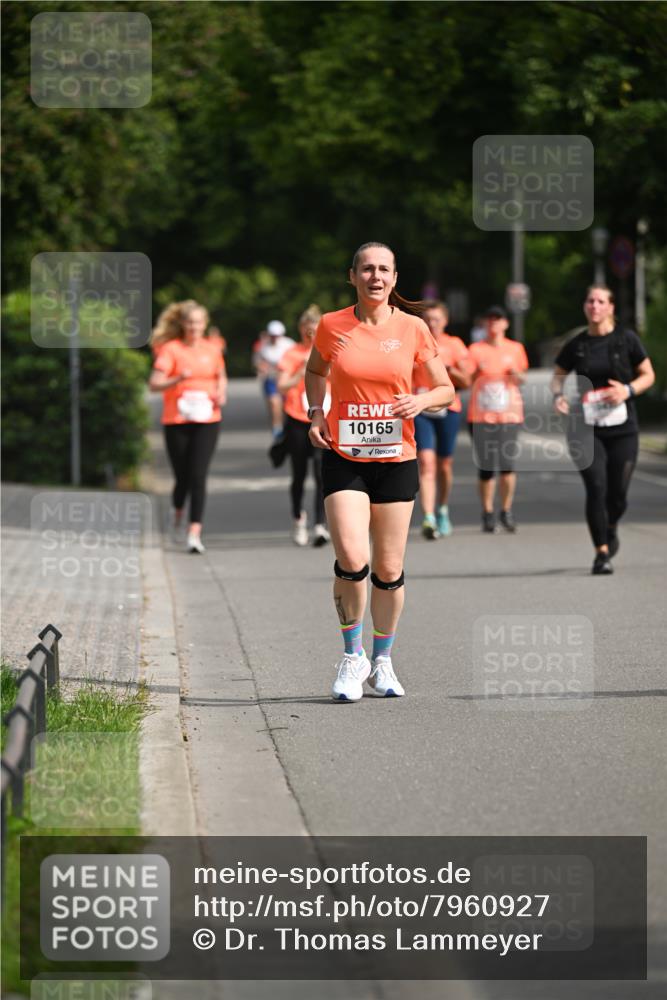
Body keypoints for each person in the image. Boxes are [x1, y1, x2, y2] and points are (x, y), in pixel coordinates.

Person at [305, 242, 454, 702]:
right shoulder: (332, 325)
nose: (375, 277)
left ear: (394, 277)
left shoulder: (412, 328)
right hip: (345, 455)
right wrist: (316, 412)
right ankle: (353, 657)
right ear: (352, 276)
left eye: (383, 269)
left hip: (396, 458)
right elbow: (315, 371)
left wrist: (420, 400)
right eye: (367, 269)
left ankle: (382, 660)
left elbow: (446, 389)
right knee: (352, 560)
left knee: (388, 569)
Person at [551, 285, 655, 575]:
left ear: (610, 307)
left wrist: (627, 390)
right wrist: (558, 395)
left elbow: (648, 375)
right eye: (590, 301)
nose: (594, 306)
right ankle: (601, 553)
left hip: (623, 427)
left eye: (600, 301)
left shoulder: (626, 339)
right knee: (596, 487)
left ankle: (611, 525)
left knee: (617, 494)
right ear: (585, 306)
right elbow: (558, 376)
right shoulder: (577, 344)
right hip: (585, 428)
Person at [149, 300, 227, 553]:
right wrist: (177, 379)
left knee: (198, 475)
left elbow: (220, 376)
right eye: (190, 322)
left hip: (208, 418)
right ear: (183, 324)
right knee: (182, 477)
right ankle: (177, 513)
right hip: (178, 420)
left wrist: (221, 393)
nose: (194, 327)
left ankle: (194, 532)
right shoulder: (171, 350)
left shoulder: (212, 349)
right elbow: (154, 384)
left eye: (199, 322)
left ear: (205, 324)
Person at [467, 305, 529, 533]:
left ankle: (506, 510)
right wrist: (475, 373)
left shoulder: (515, 348)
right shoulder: (475, 349)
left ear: (505, 323)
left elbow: (523, 377)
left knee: (507, 464)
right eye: (490, 319)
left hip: (509, 415)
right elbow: (466, 379)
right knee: (486, 466)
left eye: (498, 319)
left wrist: (516, 374)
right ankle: (487, 512)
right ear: (484, 323)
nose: (494, 322)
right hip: (481, 416)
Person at [413, 300, 471, 538]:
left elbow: (467, 380)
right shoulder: (414, 342)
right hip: (421, 408)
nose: (432, 324)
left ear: (445, 321)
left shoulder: (454, 344)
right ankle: (428, 517)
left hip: (448, 407)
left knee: (444, 464)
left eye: (436, 319)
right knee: (426, 462)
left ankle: (443, 509)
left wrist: (450, 369)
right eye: (428, 319)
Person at [277, 305, 331, 547]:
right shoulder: (292, 354)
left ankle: (320, 524)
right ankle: (299, 519)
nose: (311, 335)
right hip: (297, 418)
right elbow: (281, 386)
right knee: (298, 474)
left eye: (315, 331)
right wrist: (301, 373)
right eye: (307, 331)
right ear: (300, 330)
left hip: (324, 417)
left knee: (321, 473)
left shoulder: (330, 350)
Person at [252, 320, 296, 438]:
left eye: (277, 335)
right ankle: (277, 427)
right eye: (272, 335)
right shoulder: (263, 346)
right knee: (274, 403)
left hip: (286, 378)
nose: (274, 338)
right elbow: (257, 361)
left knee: (287, 404)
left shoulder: (289, 345)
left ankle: (288, 426)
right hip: (271, 379)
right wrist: (261, 367)